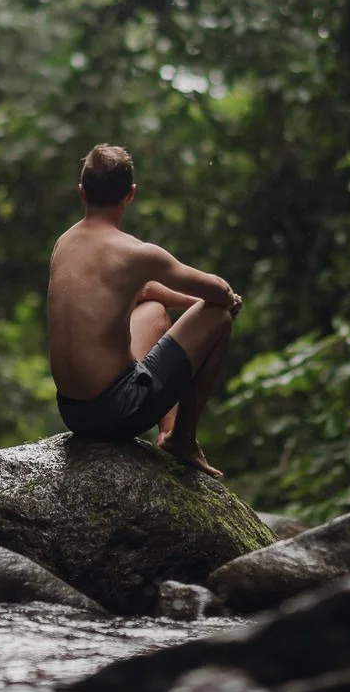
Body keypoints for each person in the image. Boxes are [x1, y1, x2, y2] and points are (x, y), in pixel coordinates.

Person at [47, 143, 242, 478]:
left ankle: (168, 432)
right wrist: (216, 304)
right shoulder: (135, 253)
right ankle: (182, 437)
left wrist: (192, 305)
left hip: (72, 410)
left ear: (82, 192)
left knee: (152, 309)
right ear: (130, 194)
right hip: (117, 412)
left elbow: (142, 290)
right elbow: (221, 291)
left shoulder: (64, 243)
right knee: (219, 317)